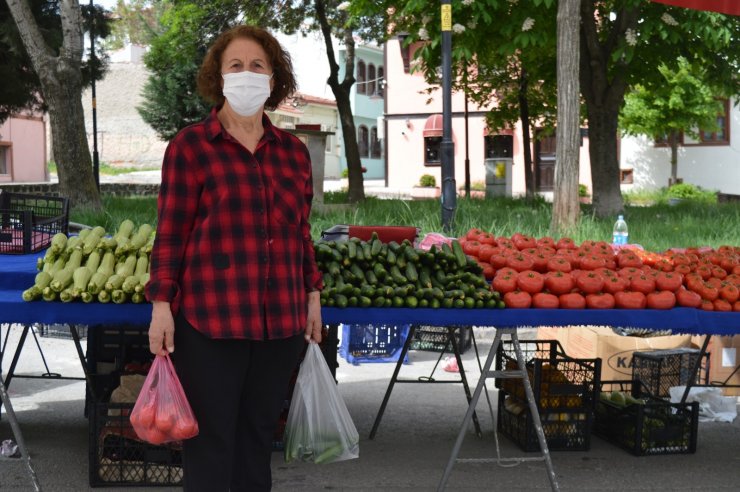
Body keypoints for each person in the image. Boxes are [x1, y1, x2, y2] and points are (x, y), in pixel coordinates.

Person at [145, 25, 323, 492]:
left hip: (278, 321)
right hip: (210, 322)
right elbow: (171, 232)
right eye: (236, 66)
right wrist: (161, 306)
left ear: (273, 79)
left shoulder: (293, 154)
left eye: (258, 66)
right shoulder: (190, 147)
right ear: (219, 78)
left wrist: (312, 294)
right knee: (211, 442)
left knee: (257, 439)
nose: (247, 75)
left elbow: (301, 231)